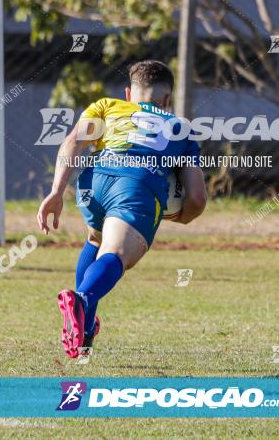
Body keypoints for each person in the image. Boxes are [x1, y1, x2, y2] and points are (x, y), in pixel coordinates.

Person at [37, 60, 207, 358]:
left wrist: (55, 192)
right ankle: (81, 300)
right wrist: (180, 215)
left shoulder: (106, 105)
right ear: (167, 100)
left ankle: (84, 332)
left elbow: (72, 143)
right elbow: (196, 198)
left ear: (129, 93)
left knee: (96, 240)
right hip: (137, 185)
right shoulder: (180, 128)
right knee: (116, 255)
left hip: (93, 182)